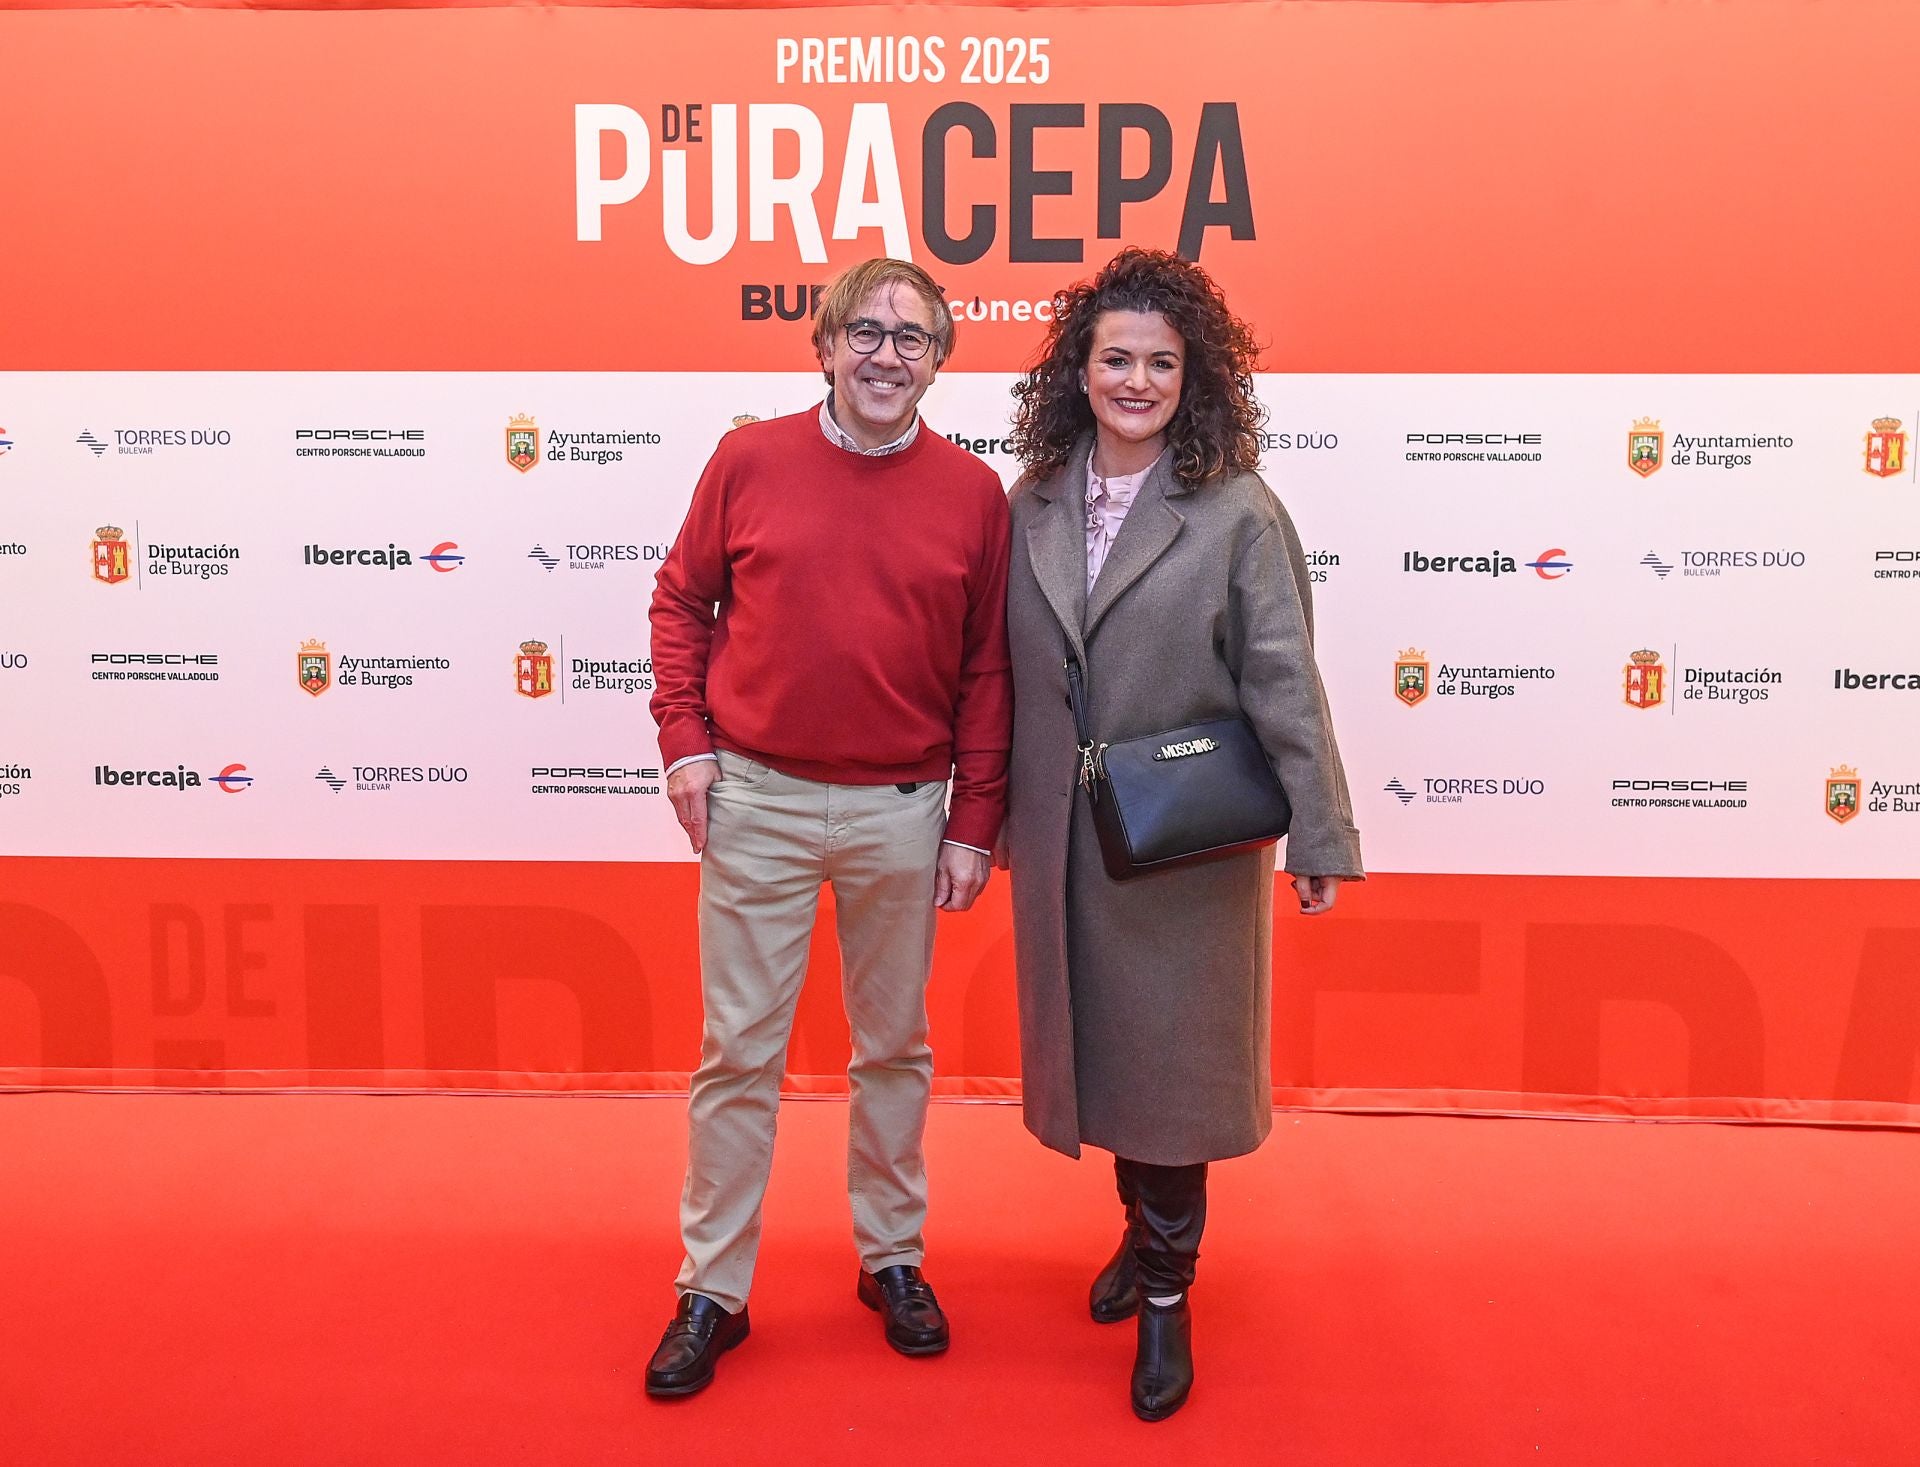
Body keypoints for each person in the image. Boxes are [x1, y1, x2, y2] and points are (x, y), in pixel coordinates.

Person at [1001, 248, 1363, 1422]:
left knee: (1172, 1069)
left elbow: (1284, 680)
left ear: (1193, 376)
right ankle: (1134, 1242)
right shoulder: (1036, 497)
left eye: (1162, 361)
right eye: (1117, 358)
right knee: (1110, 1053)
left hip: (1184, 846)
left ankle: (1166, 1296)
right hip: (1067, 839)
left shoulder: (1238, 509)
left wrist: (1321, 830)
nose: (1137, 380)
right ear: (1079, 369)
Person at [644, 258, 1012, 1396]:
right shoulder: (748, 459)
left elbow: (987, 668)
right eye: (867, 331)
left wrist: (975, 819)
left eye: (912, 338)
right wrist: (686, 743)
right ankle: (712, 1287)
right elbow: (679, 600)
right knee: (738, 1054)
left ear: (940, 362)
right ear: (824, 345)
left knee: (893, 1049)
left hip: (905, 812)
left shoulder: (974, 495)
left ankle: (891, 1257)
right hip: (755, 798)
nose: (887, 355)